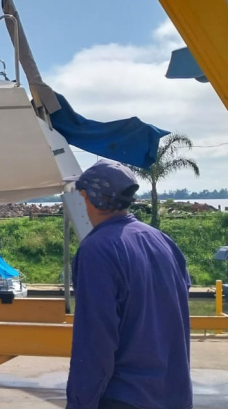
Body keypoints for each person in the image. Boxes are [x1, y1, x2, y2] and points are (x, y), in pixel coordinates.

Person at [66, 160, 192, 409]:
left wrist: (80, 402)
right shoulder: (162, 241)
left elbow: (95, 341)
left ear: (89, 198)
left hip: (125, 398)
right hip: (173, 395)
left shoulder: (97, 249)